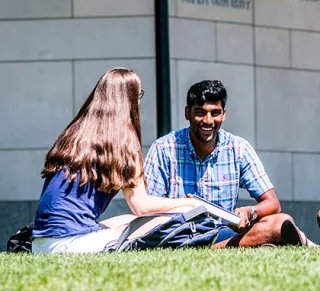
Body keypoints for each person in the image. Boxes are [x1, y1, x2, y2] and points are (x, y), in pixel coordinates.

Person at [32, 67, 198, 254]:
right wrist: (189, 203)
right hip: (72, 244)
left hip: (39, 244)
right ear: (130, 99)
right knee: (168, 218)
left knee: (125, 220)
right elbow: (141, 206)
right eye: (139, 95)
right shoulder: (124, 143)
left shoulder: (73, 135)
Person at [144, 80, 316, 247]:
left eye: (215, 113)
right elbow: (148, 208)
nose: (208, 121)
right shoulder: (164, 148)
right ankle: (254, 245)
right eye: (200, 113)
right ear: (187, 113)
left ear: (224, 114)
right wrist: (184, 206)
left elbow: (273, 203)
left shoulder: (238, 148)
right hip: (177, 234)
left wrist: (249, 212)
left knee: (282, 221)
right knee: (278, 230)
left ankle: (235, 245)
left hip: (223, 233)